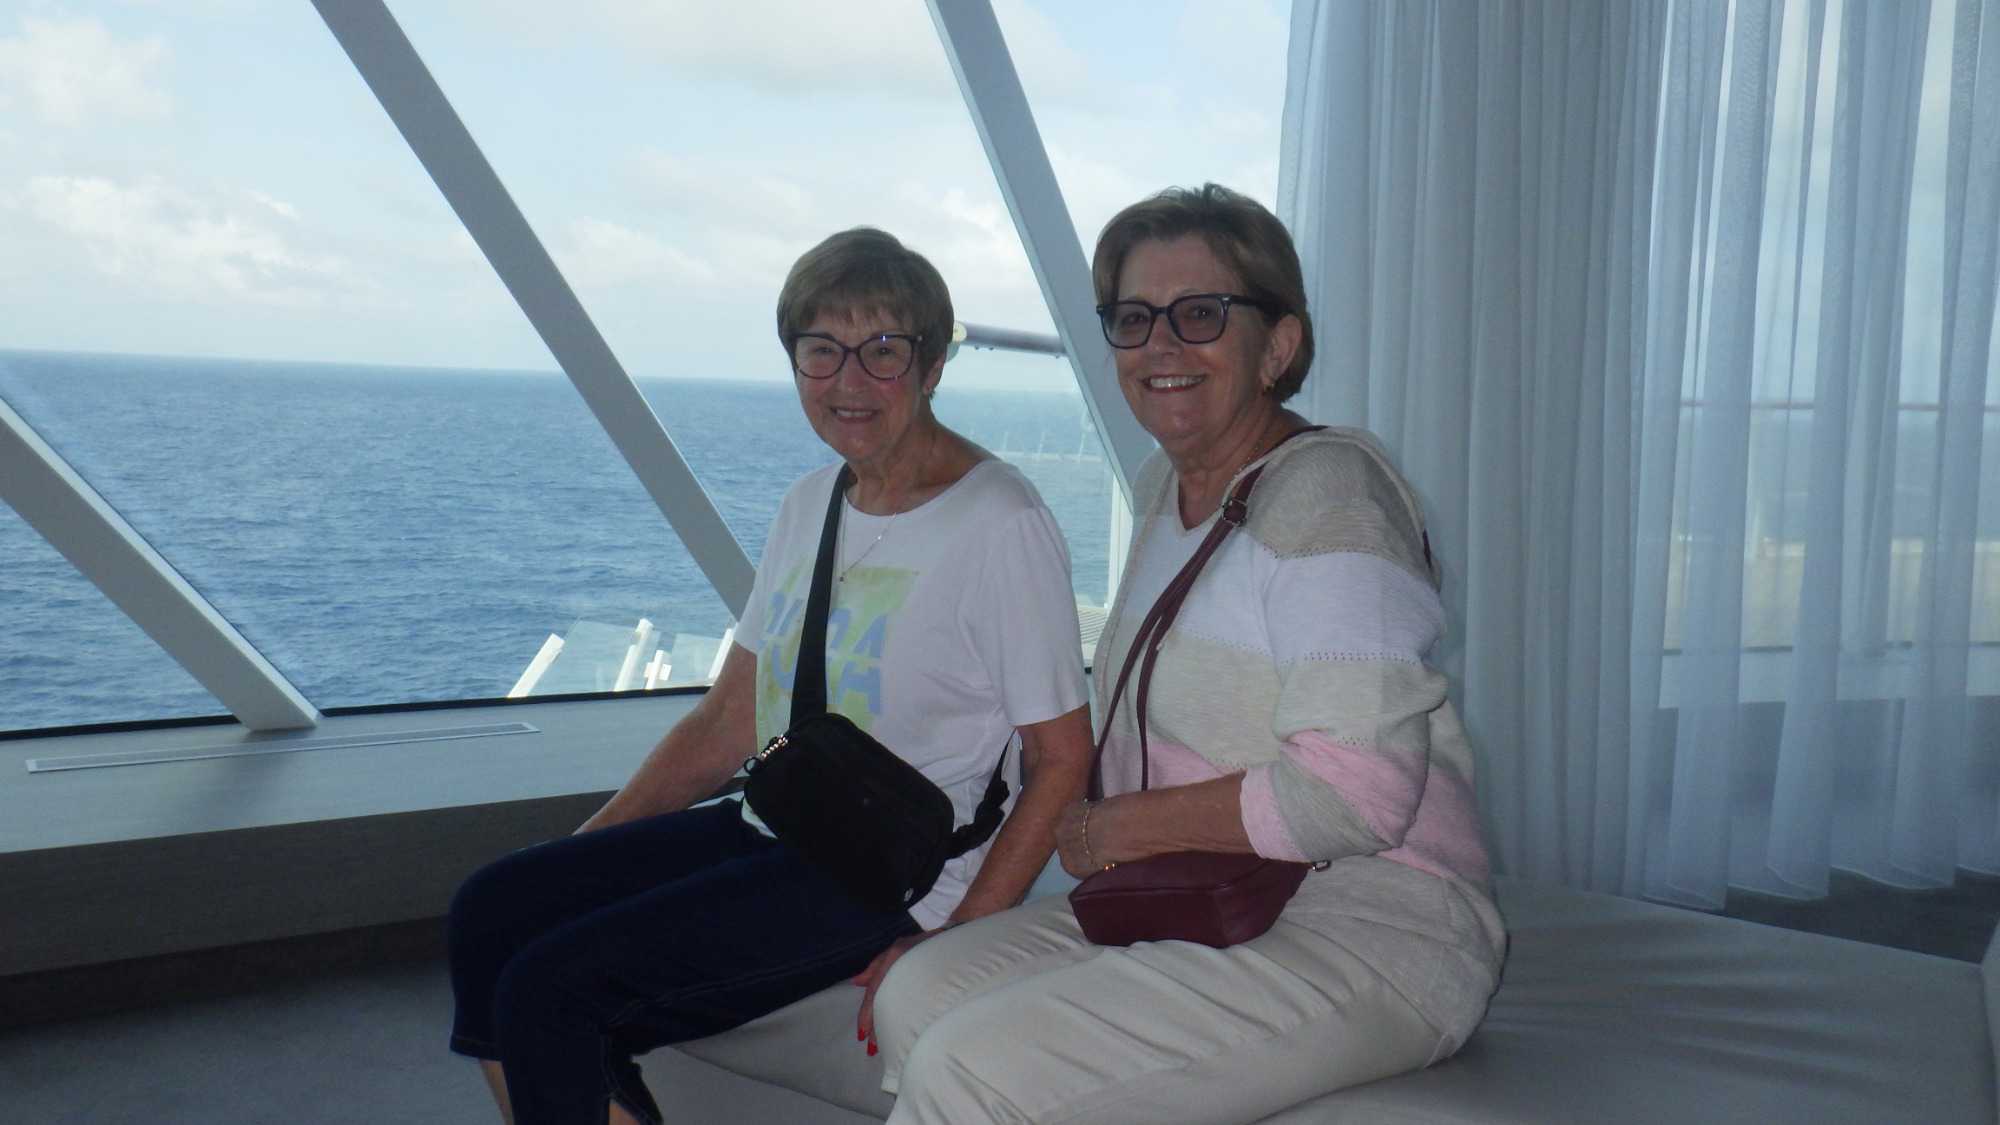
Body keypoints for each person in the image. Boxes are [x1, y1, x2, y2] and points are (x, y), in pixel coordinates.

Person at [871, 184, 1507, 1124]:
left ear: (1277, 347)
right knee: (916, 995)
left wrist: (1116, 830)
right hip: (1202, 899)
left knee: (975, 1065)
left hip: (1372, 923)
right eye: (1134, 318)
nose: (1160, 345)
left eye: (1199, 314)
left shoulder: (1331, 496)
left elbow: (1357, 795)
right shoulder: (1164, 488)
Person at [446, 227, 1096, 1125]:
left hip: (891, 878)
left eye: (882, 350)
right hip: (777, 824)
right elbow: (729, 721)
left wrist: (955, 939)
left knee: (552, 988)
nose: (848, 380)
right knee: (492, 907)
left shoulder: (999, 521)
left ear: (932, 365)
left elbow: (1062, 759)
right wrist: (581, 857)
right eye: (822, 349)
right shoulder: (810, 504)